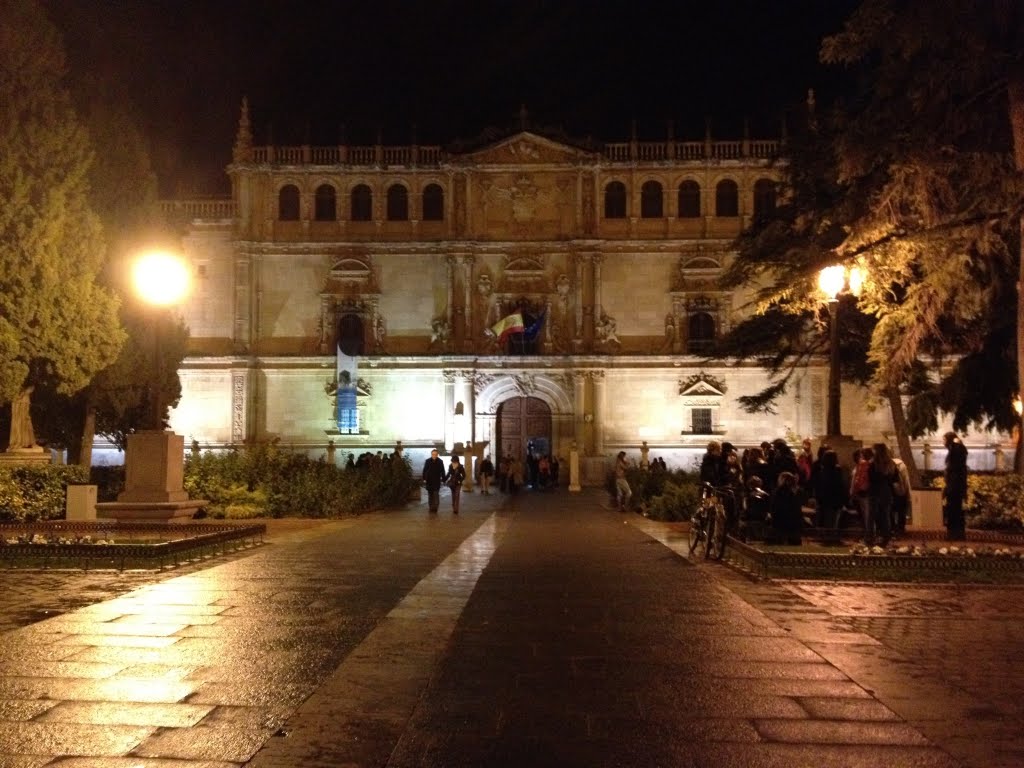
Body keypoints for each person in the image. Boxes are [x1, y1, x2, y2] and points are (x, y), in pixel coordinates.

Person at [866, 443, 897, 547]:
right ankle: (886, 537)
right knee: (885, 515)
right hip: (886, 491)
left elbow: (870, 478)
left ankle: (870, 537)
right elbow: (895, 479)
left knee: (871, 516)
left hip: (874, 491)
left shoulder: (873, 464)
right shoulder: (891, 463)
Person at [943, 431, 968, 541]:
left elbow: (954, 470)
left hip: (954, 486)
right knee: (956, 510)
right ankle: (957, 533)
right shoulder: (956, 450)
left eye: (944, 439)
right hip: (955, 485)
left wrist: (948, 488)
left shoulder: (955, 450)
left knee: (954, 510)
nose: (943, 442)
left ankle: (954, 533)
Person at [813, 449, 847, 529]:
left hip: (824, 497)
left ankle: (826, 533)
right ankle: (832, 533)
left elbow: (818, 484)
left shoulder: (822, 470)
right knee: (833, 518)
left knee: (825, 517)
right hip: (835, 497)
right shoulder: (838, 470)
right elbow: (840, 485)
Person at [770, 471, 803, 545]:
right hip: (793, 522)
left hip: (781, 521)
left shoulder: (779, 492)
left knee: (780, 540)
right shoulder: (795, 491)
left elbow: (774, 507)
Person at [892, 455, 912, 534]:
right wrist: (908, 494)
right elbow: (906, 480)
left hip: (891, 491)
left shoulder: (887, 464)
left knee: (891, 511)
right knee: (901, 511)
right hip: (901, 490)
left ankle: (893, 527)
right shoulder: (902, 466)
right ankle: (901, 528)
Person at [422, 448, 445, 514]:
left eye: (435, 454)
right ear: (431, 454)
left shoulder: (440, 461)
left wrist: (443, 479)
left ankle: (435, 507)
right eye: (433, 454)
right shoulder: (427, 461)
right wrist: (424, 478)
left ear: (437, 455)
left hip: (436, 481)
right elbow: (425, 470)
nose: (434, 456)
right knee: (430, 495)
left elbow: (442, 471)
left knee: (436, 495)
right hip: (429, 481)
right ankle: (431, 507)